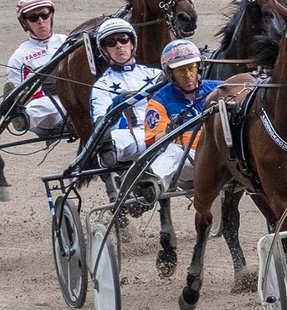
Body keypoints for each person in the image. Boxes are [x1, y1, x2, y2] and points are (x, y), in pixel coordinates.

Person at [143, 39, 222, 194]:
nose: (187, 75)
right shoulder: (160, 100)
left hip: (223, 157)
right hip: (191, 161)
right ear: (170, 73)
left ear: (198, 67)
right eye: (180, 70)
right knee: (173, 151)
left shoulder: (219, 88)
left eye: (191, 67)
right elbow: (153, 142)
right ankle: (151, 188)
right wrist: (170, 130)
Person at [89, 18, 162, 167]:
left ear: (132, 43)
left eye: (123, 39)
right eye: (111, 43)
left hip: (162, 130)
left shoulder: (157, 74)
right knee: (115, 139)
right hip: (129, 136)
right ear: (105, 50)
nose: (119, 46)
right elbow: (100, 121)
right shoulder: (101, 85)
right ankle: (107, 152)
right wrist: (116, 107)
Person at [5, 0, 68, 135]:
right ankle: (22, 117)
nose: (40, 21)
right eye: (33, 17)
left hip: (78, 101)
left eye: (44, 14)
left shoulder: (68, 42)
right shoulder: (19, 57)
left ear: (51, 15)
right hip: (51, 110)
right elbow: (21, 95)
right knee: (46, 106)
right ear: (24, 22)